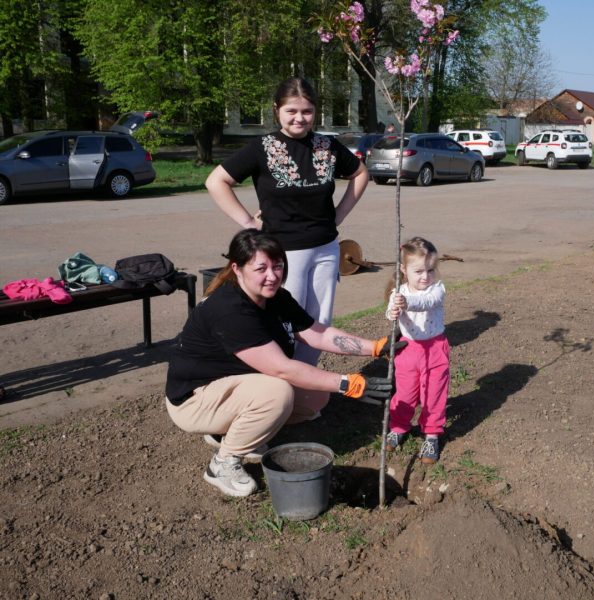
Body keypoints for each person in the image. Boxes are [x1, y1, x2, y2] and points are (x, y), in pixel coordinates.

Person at [165, 229, 397, 497]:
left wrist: (376, 347)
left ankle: (232, 432)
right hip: (194, 400)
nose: (272, 275)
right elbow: (281, 368)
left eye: (277, 266)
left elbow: (316, 332)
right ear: (237, 269)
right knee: (278, 393)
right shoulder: (230, 309)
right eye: (261, 268)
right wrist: (347, 383)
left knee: (315, 398)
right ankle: (222, 463)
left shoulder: (275, 298)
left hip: (232, 388)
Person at [205, 77, 369, 366]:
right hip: (282, 254)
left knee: (319, 321)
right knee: (287, 323)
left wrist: (338, 215)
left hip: (326, 248)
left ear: (315, 112)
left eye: (306, 111)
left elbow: (360, 173)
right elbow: (216, 181)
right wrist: (247, 222)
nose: (299, 118)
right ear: (276, 110)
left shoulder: (326, 146)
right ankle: (283, 388)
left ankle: (308, 388)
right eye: (291, 111)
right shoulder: (262, 147)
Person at [384, 237, 449, 464]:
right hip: (409, 350)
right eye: (419, 271)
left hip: (435, 348)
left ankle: (431, 433)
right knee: (405, 392)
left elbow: (426, 303)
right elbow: (391, 310)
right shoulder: (398, 292)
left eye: (430, 270)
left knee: (434, 392)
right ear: (404, 269)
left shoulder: (437, 289)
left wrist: (406, 303)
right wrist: (393, 311)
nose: (425, 277)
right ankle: (399, 426)